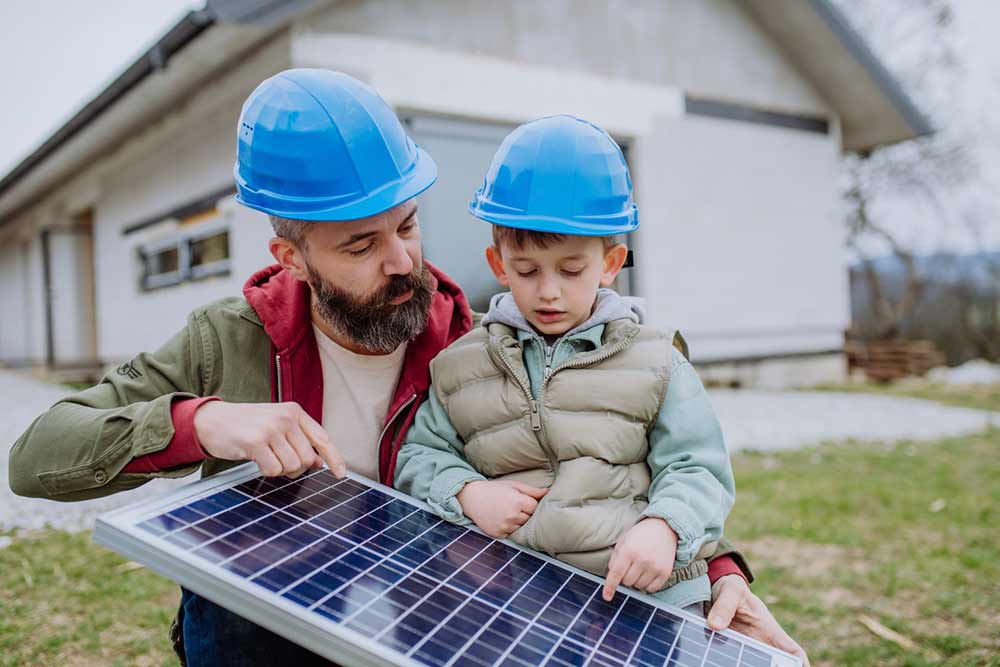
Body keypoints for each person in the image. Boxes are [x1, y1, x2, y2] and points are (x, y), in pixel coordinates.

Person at [8, 69, 808, 666]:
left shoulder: (469, 340)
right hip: (262, 627)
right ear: (292, 256)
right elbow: (37, 454)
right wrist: (204, 420)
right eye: (361, 244)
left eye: (408, 225)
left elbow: (604, 450)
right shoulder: (230, 340)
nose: (403, 262)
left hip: (431, 616)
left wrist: (719, 566)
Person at [395, 115, 732, 618]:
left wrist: (666, 526)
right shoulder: (459, 365)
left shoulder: (657, 361)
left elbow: (698, 466)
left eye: (572, 270)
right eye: (527, 271)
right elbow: (418, 455)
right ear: (498, 264)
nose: (548, 290)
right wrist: (466, 492)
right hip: (521, 599)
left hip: (645, 593)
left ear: (611, 264)